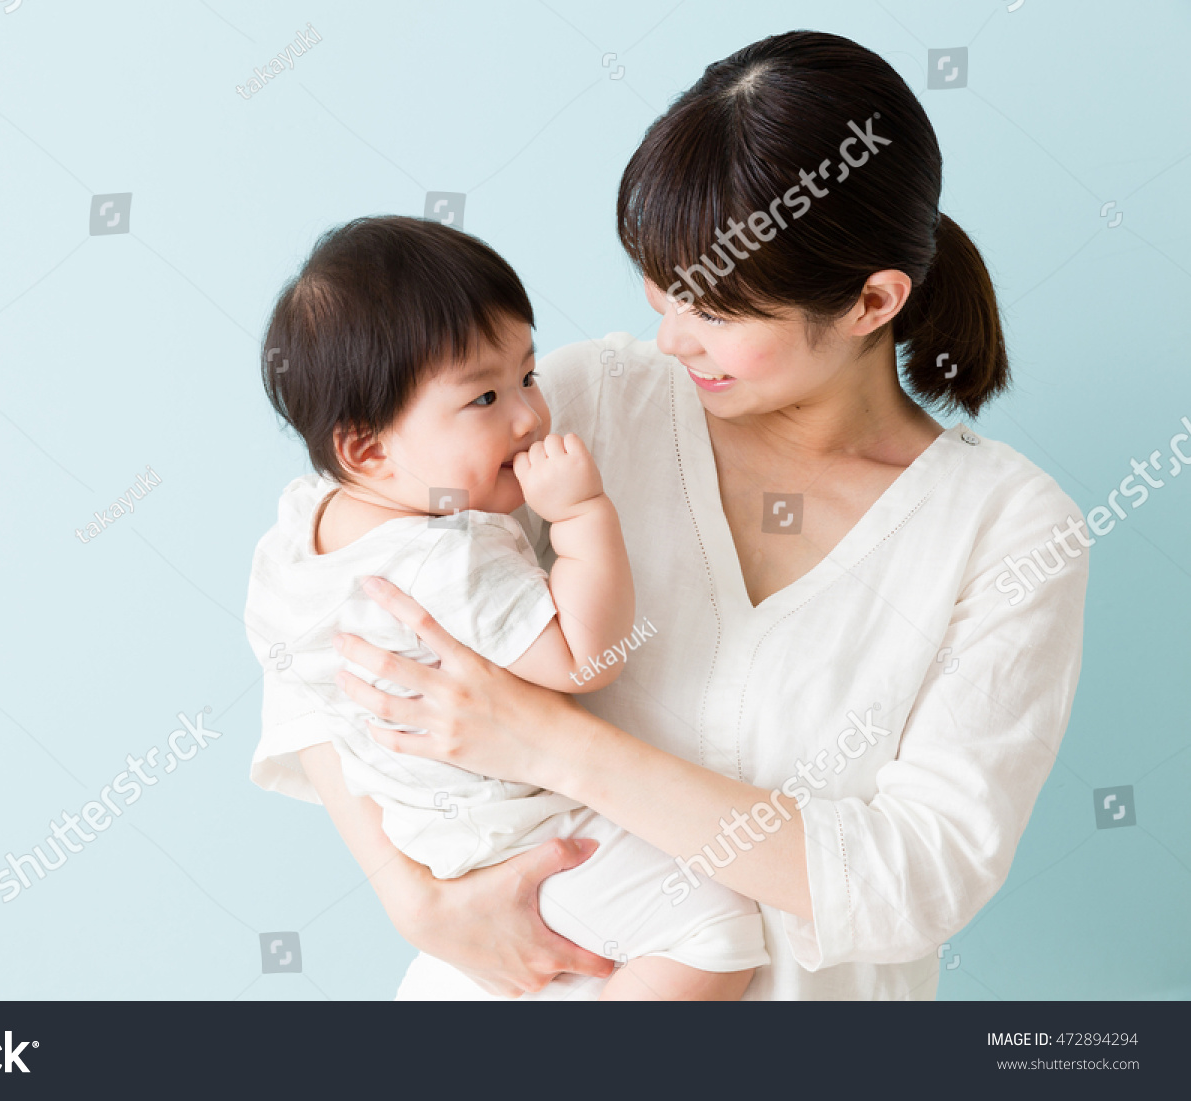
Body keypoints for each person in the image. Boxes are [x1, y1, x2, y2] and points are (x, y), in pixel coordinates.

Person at [321, 30, 1089, 999]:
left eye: (717, 309)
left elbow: (914, 877)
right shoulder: (585, 402)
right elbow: (317, 606)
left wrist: (547, 742)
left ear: (871, 302)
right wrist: (415, 904)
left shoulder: (1007, 530)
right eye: (664, 288)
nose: (670, 338)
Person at [245, 215, 769, 1000]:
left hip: (428, 840)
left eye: (528, 374)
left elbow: (293, 686)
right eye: (484, 396)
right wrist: (583, 514)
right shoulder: (448, 551)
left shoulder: (297, 534)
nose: (529, 416)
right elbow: (587, 656)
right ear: (368, 449)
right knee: (715, 929)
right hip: (520, 828)